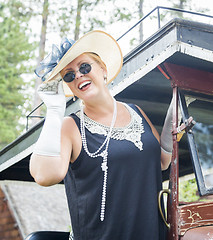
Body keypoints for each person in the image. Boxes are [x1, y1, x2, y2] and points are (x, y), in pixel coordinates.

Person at [30, 30, 173, 240]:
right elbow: (44, 175)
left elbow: (163, 161)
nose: (78, 75)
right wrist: (53, 111)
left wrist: (176, 109)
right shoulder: (70, 126)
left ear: (103, 69)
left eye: (84, 67)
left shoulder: (136, 111)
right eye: (69, 75)